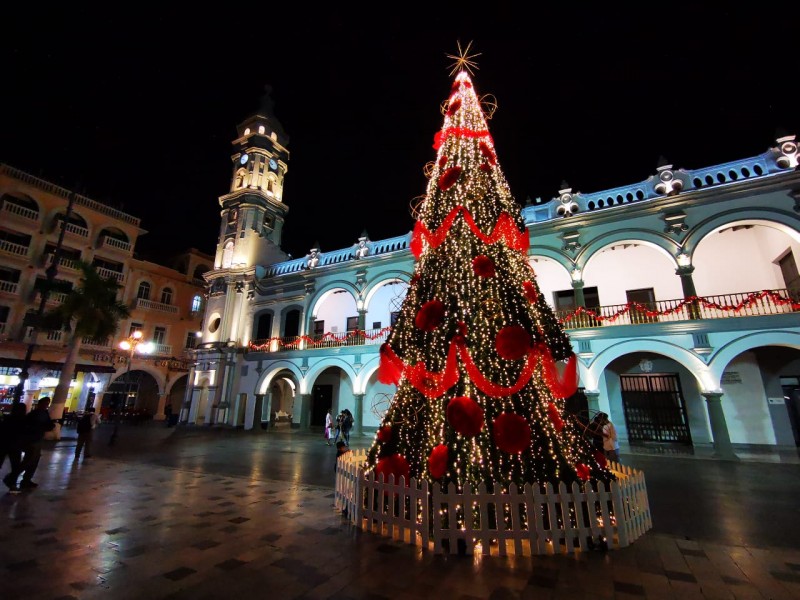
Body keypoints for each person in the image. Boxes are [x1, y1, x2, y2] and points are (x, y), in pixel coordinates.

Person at [8, 396, 55, 490]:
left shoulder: (42, 413)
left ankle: (25, 479)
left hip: (36, 439)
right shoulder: (35, 414)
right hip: (32, 440)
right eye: (45, 403)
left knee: (33, 460)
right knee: (28, 460)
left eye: (47, 404)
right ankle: (12, 478)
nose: (46, 405)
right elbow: (33, 427)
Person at [1, 403, 28, 493]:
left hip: (4, 444)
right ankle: (12, 484)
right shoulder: (23, 420)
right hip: (15, 445)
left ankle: (12, 483)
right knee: (16, 466)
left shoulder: (7, 419)